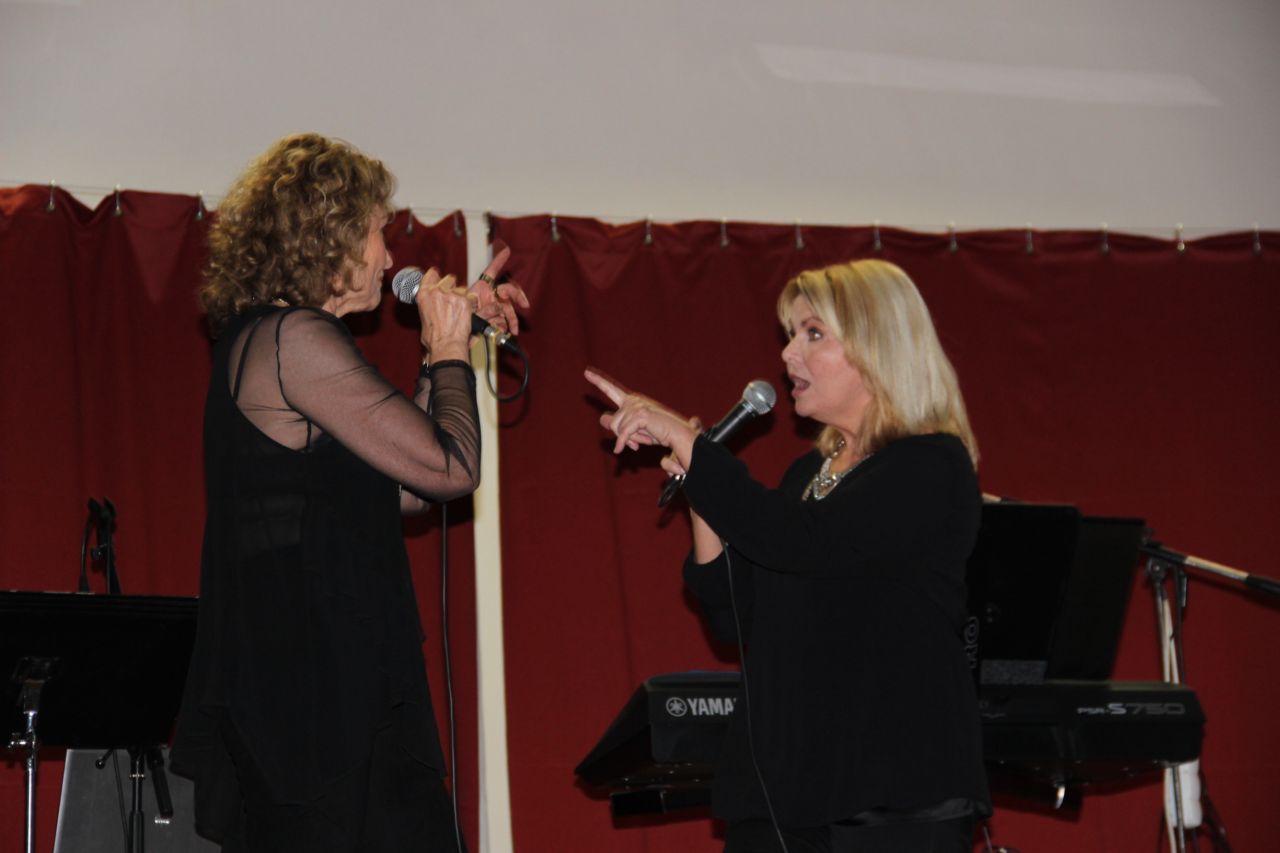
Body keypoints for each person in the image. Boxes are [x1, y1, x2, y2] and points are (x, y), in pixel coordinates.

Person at [170, 133, 527, 852]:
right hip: (315, 702)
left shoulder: (275, 344)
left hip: (324, 691)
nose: (389, 259)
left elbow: (405, 488)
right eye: (376, 234)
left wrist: (441, 347)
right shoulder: (293, 339)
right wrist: (449, 349)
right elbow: (453, 468)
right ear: (326, 237)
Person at [585, 259, 989, 853]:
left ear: (878, 346)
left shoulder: (929, 465)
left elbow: (798, 541)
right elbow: (737, 616)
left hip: (891, 797)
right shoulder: (808, 475)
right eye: (791, 335)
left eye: (812, 333)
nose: (788, 354)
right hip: (784, 795)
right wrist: (701, 489)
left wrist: (696, 449)